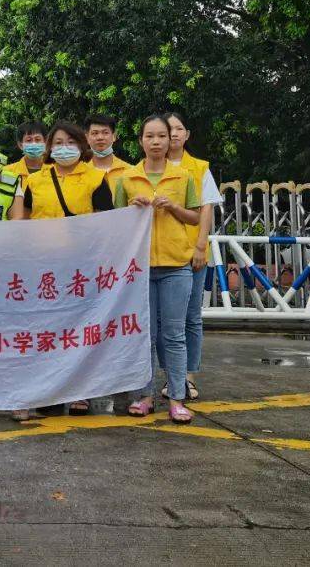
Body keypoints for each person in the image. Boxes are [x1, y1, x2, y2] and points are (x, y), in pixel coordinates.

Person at [22, 122, 113, 417]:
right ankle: (48, 391)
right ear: (50, 147)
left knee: (79, 329)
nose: (64, 147)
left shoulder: (97, 179)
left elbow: (105, 224)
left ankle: (80, 391)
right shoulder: (35, 182)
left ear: (82, 145)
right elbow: (22, 223)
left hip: (80, 269)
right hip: (43, 268)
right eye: (58, 142)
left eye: (70, 142)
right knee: (47, 329)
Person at [114, 115, 200, 424]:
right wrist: (131, 208)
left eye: (161, 136)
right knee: (144, 336)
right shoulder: (127, 178)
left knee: (174, 335)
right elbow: (116, 222)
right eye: (149, 136)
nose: (156, 142)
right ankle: (145, 395)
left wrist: (174, 208)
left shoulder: (183, 177)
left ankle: (176, 399)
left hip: (176, 265)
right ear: (140, 141)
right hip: (140, 268)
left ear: (170, 140)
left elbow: (195, 218)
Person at [162, 112, 222, 401]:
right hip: (162, 253)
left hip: (192, 253)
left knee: (190, 319)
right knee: (164, 320)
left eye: (178, 129)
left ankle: (188, 375)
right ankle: (169, 376)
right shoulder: (152, 166)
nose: (173, 134)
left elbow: (206, 209)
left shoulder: (199, 168)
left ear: (187, 134)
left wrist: (201, 247)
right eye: (168, 129)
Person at [85, 114, 129, 192]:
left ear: (114, 136)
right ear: (87, 138)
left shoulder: (130, 171)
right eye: (95, 133)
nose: (100, 137)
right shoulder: (80, 172)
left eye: (105, 133)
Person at [3, 121, 48, 189]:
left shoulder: (56, 170)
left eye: (38, 139)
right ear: (20, 145)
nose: (34, 143)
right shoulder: (8, 171)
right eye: (29, 140)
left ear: (45, 142)